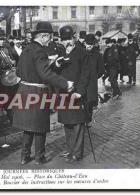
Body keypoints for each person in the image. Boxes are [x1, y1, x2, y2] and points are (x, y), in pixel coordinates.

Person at [13, 21, 74, 165]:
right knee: (40, 126)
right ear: (43, 36)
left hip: (24, 90)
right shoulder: (40, 51)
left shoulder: (27, 49)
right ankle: (39, 157)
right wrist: (65, 83)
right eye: (50, 37)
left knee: (27, 127)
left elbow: (19, 71)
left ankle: (24, 156)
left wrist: (54, 64)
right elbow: (45, 74)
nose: (51, 40)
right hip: (37, 92)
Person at [54, 26, 90, 162]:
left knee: (78, 123)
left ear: (74, 38)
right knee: (66, 122)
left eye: (69, 39)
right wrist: (56, 65)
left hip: (76, 93)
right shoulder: (59, 52)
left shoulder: (82, 53)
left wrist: (80, 92)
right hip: (63, 93)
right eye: (63, 40)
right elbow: (53, 72)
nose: (66, 42)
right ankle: (70, 149)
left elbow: (85, 74)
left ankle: (77, 152)